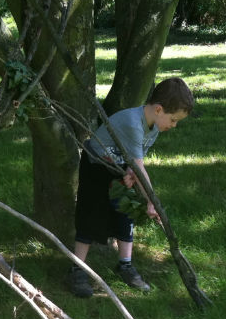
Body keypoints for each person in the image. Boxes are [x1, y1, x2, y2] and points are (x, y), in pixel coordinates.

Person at [70, 77, 194, 298]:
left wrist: (129, 172)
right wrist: (151, 201)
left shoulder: (154, 127)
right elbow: (139, 167)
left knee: (125, 213)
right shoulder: (132, 122)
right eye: (173, 120)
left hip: (117, 166)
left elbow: (135, 162)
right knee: (90, 216)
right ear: (159, 109)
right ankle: (77, 269)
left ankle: (125, 265)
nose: (174, 126)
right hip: (96, 165)